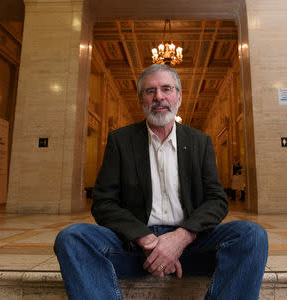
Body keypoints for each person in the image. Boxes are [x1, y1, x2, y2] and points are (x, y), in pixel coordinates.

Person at [54, 64, 268, 300]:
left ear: (179, 96)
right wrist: (144, 238)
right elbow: (104, 202)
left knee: (252, 235)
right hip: (133, 248)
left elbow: (217, 200)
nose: (159, 97)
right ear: (141, 100)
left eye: (166, 89)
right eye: (150, 91)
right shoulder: (121, 141)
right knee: (72, 238)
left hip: (190, 247)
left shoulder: (199, 142)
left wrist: (181, 237)